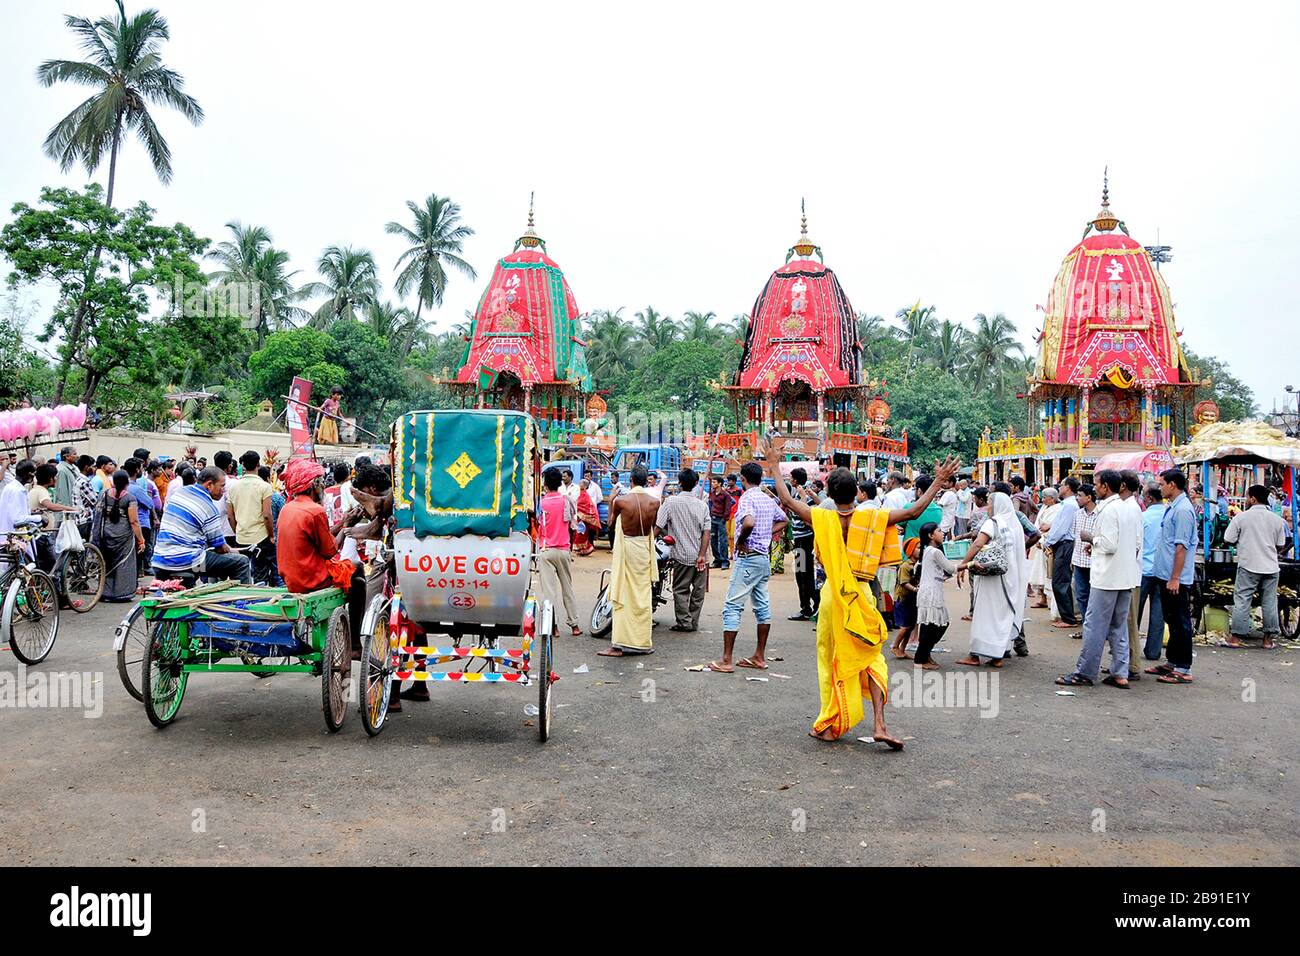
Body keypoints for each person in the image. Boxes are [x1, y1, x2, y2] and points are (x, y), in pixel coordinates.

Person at [768, 436, 961, 747]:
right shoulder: (872, 518)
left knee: (833, 659)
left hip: (832, 597)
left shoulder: (822, 517)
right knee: (871, 657)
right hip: (862, 594)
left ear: (830, 494)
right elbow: (913, 512)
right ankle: (880, 724)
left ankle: (832, 720)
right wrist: (937, 481)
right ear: (856, 492)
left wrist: (775, 465)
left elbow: (788, 502)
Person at [1057, 470, 1141, 688]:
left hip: (1107, 577)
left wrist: (1091, 539)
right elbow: (1133, 543)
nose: (1094, 488)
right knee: (1118, 626)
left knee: (1094, 625)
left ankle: (1085, 672)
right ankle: (1119, 672)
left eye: (1096, 484)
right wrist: (1096, 546)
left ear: (1105, 486)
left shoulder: (1109, 510)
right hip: (1124, 576)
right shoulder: (1129, 508)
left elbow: (1109, 544)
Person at [276, 457, 365, 655]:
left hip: (291, 577)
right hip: (311, 579)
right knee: (358, 575)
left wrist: (343, 523)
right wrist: (347, 526)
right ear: (313, 485)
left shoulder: (288, 508)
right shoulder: (315, 511)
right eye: (321, 482)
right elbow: (330, 550)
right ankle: (355, 644)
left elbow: (319, 537)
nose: (323, 486)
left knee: (354, 571)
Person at [707, 461, 787, 671]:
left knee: (732, 607)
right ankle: (759, 656)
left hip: (748, 557)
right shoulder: (767, 499)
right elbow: (784, 520)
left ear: (743, 479)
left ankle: (726, 660)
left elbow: (749, 522)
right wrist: (766, 533)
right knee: (762, 607)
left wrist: (742, 540)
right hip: (762, 558)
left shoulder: (747, 498)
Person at [954, 490, 1028, 668]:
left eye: (990, 502)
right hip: (1010, 577)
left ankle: (975, 655)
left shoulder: (993, 522)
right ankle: (997, 656)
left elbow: (978, 543)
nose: (988, 506)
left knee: (984, 614)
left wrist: (963, 565)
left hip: (991, 578)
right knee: (1001, 616)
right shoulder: (1015, 524)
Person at [152, 466, 253, 584]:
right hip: (189, 564)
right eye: (222, 486)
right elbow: (220, 548)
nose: (224, 490)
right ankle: (242, 595)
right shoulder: (208, 507)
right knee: (241, 562)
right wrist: (235, 550)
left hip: (160, 560)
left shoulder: (180, 493)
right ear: (209, 485)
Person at [599, 464, 661, 657]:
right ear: (646, 481)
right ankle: (642, 643)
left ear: (631, 480)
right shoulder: (655, 502)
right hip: (644, 550)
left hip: (627, 549)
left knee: (623, 594)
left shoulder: (621, 501)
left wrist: (611, 500)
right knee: (642, 595)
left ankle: (618, 645)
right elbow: (653, 527)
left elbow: (610, 524)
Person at [1146, 469, 1198, 685]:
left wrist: (1175, 577)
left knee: (1180, 622)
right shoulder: (1173, 506)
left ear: (1173, 485)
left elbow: (1181, 547)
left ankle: (1183, 668)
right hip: (1164, 574)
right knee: (1172, 620)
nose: (1160, 488)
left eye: (1162, 484)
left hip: (1175, 578)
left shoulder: (1183, 510)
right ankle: (1173, 662)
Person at [1224, 484, 1288, 649]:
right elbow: (1280, 544)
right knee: (1270, 602)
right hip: (1271, 567)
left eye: (1247, 497)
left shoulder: (1241, 518)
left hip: (1249, 565)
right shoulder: (1276, 519)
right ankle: (1268, 640)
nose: (1246, 500)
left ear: (1252, 499)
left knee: (1243, 599)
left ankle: (1236, 638)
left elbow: (1228, 538)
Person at [655, 467, 711, 632]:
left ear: (680, 483)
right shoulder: (702, 506)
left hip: (681, 555)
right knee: (698, 591)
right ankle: (693, 621)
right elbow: (706, 533)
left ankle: (684, 622)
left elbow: (658, 526)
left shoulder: (670, 502)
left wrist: (647, 542)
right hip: (700, 556)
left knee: (680, 589)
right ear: (695, 483)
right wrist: (702, 555)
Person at [538, 468, 583, 638]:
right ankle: (574, 625)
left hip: (546, 550)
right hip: (564, 549)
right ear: (560, 483)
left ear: (545, 484)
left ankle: (553, 626)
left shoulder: (541, 503)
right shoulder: (567, 501)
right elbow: (573, 524)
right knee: (567, 588)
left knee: (549, 592)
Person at [93, 469, 145, 602]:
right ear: (127, 483)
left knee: (107, 563)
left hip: (105, 534)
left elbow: (98, 514)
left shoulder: (104, 495)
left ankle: (105, 592)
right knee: (124, 564)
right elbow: (134, 521)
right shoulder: (130, 499)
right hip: (123, 536)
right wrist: (141, 540)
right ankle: (121, 593)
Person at [913, 521, 959, 669]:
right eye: (939, 531)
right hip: (931, 593)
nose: (942, 533)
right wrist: (970, 564)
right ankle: (920, 659)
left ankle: (924, 655)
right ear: (931, 535)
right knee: (934, 626)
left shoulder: (928, 551)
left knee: (932, 625)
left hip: (930, 591)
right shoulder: (934, 552)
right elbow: (951, 568)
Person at [227, 449, 275, 583]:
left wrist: (237, 530)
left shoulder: (233, 487)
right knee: (261, 576)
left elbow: (230, 515)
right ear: (258, 464)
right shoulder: (265, 487)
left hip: (241, 537)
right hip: (261, 537)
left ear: (243, 465)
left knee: (242, 574)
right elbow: (267, 515)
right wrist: (271, 535)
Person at [1044, 476, 1081, 629]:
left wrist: (1048, 542)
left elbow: (1061, 529)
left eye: (1062, 485)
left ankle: (1069, 618)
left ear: (1068, 488)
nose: (1059, 487)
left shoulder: (1069, 506)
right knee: (1062, 581)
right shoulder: (1066, 504)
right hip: (1063, 544)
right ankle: (1069, 615)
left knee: (1060, 582)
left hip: (1065, 544)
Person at [1136, 484, 1167, 663]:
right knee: (1158, 613)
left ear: (1149, 498)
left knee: (1135, 611)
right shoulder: (1169, 515)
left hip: (1144, 569)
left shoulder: (1144, 517)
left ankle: (1130, 647)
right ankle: (1154, 651)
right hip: (1162, 570)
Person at [28, 462, 77, 571]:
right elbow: (50, 505)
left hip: (38, 534)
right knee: (54, 566)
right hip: (43, 535)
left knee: (43, 565)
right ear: (50, 479)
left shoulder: (34, 490)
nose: (56, 479)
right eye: (55, 477)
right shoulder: (41, 491)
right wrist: (70, 508)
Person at [786, 467, 819, 621]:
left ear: (795, 479)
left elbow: (806, 514)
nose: (790, 479)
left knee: (803, 574)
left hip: (805, 540)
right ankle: (810, 605)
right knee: (803, 574)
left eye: (791, 477)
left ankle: (807, 607)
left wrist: (803, 498)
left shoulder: (804, 495)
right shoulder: (799, 494)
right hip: (800, 540)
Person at [1068, 483, 1097, 638]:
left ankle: (1097, 629)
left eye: (1080, 495)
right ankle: (1087, 628)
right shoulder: (1077, 514)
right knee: (1081, 595)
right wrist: (1072, 559)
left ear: (1089, 497)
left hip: (1094, 562)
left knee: (1095, 597)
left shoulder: (1100, 514)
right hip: (1079, 561)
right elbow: (1075, 538)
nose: (1077, 498)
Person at [1031, 486, 1060, 611]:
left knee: (1049, 573)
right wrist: (1037, 538)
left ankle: (1052, 601)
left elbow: (1052, 527)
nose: (1042, 500)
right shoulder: (1043, 507)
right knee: (1040, 572)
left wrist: (1043, 539)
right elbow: (1039, 524)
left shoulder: (1058, 509)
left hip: (1049, 545)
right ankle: (1043, 599)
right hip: (1040, 542)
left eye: (1045, 498)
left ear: (1052, 499)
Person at [890, 539, 919, 659]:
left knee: (910, 626)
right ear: (911, 550)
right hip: (902, 599)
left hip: (912, 599)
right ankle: (895, 646)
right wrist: (916, 589)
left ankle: (902, 649)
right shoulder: (905, 566)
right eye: (918, 548)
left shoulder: (918, 565)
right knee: (905, 626)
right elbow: (904, 582)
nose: (921, 550)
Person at [708, 475, 732, 569]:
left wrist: (724, 518)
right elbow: (711, 504)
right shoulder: (712, 493)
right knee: (713, 540)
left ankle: (725, 561)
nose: (712, 484)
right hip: (713, 519)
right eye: (712, 482)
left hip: (721, 519)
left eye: (714, 482)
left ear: (719, 483)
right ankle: (717, 560)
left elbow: (728, 507)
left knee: (723, 541)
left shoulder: (725, 495)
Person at [54, 446, 80, 526]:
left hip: (73, 509)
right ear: (67, 456)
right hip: (66, 513)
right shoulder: (61, 470)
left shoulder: (74, 468)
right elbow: (63, 494)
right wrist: (68, 511)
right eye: (74, 454)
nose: (77, 456)